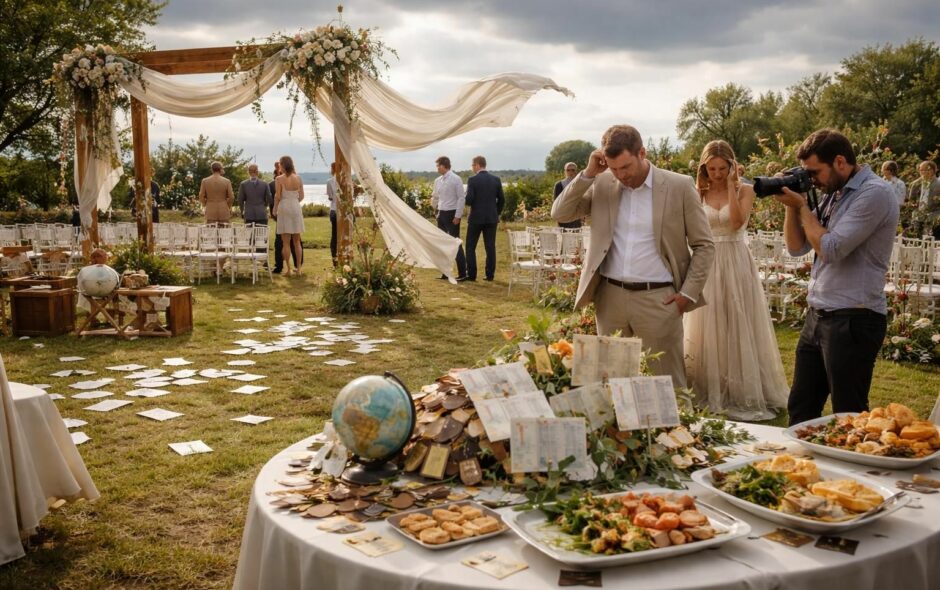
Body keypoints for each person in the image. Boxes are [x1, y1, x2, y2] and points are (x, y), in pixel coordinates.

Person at [552, 124, 714, 387]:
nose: (620, 175)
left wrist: (686, 295)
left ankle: (678, 429)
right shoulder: (603, 182)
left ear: (642, 153)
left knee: (669, 386)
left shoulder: (679, 186)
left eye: (625, 167)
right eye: (614, 168)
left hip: (659, 300)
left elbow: (705, 245)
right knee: (608, 385)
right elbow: (560, 214)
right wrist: (589, 173)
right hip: (610, 298)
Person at [774, 129, 898, 426]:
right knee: (801, 410)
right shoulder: (834, 194)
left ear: (840, 161)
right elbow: (796, 247)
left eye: (814, 172)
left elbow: (830, 248)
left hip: (854, 318)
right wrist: (794, 204)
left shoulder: (875, 193)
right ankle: (803, 471)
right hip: (818, 314)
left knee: (849, 414)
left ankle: (855, 472)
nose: (812, 179)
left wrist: (802, 206)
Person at [683, 140, 788, 420]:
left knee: (736, 319)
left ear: (732, 166)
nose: (716, 173)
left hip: (735, 257)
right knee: (708, 320)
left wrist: (731, 186)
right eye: (712, 168)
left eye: (722, 168)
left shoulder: (746, 190)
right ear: (704, 167)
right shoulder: (697, 193)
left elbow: (737, 222)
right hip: (706, 260)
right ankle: (707, 385)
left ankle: (741, 386)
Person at [464, 156, 504, 282]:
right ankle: (490, 275)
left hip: (476, 218)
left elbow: (469, 200)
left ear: (477, 165)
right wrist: (496, 213)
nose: (471, 168)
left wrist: (466, 197)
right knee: (490, 247)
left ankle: (471, 275)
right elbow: (502, 200)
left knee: (470, 246)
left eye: (472, 165)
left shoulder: (472, 180)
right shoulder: (496, 179)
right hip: (491, 218)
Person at [431, 156, 467, 280]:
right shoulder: (437, 181)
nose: (437, 168)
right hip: (441, 214)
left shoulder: (456, 179)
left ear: (443, 165)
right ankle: (445, 272)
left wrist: (458, 215)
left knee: (455, 243)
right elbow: (435, 196)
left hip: (452, 214)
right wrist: (434, 209)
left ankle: (463, 273)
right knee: (442, 243)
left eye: (438, 166)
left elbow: (461, 198)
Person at [272, 155, 305, 275]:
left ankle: (289, 269)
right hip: (296, 207)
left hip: (284, 207)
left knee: (285, 241)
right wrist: (294, 201)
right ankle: (299, 269)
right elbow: (301, 196)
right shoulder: (299, 178)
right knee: (297, 240)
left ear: (282, 165)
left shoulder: (279, 179)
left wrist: (275, 208)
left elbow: (278, 196)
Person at [911, 161, 940, 238]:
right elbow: (911, 199)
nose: (922, 172)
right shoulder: (916, 184)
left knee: (929, 241)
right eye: (921, 170)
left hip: (933, 216)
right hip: (917, 216)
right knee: (915, 239)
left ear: (933, 170)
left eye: (925, 170)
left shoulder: (938, 184)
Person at [553, 162, 582, 228]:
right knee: (564, 235)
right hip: (563, 215)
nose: (570, 172)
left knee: (576, 235)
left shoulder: (580, 183)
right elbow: (556, 202)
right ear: (565, 171)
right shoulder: (559, 185)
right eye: (568, 170)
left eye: (573, 170)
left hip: (576, 215)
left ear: (576, 171)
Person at [326, 162, 340, 266]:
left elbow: (330, 197)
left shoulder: (330, 181)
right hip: (345, 212)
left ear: (332, 169)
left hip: (334, 210)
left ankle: (335, 262)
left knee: (334, 237)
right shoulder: (348, 180)